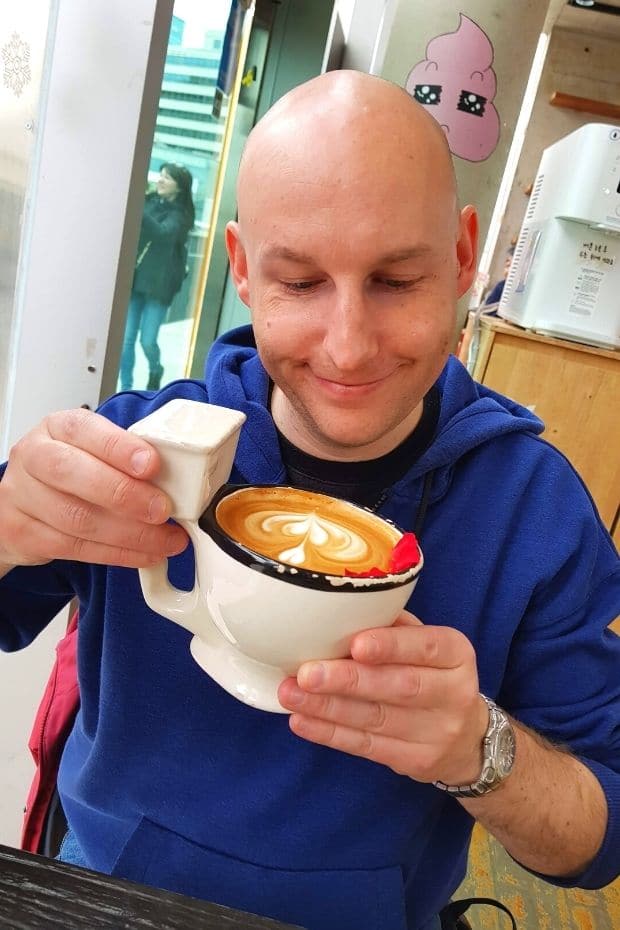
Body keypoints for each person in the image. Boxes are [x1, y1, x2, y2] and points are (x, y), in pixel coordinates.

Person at [0, 72, 619, 930]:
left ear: (463, 257)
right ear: (244, 270)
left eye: (398, 280)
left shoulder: (535, 516)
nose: (350, 346)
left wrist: (480, 751)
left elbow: (599, 837)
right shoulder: (141, 444)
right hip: (101, 894)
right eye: (299, 282)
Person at [119, 163, 195, 391]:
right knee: (126, 341)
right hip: (137, 280)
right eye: (160, 175)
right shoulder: (149, 201)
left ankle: (155, 368)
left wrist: (138, 209)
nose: (160, 180)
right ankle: (126, 389)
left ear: (179, 188)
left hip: (160, 286)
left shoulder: (181, 216)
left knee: (148, 341)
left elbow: (163, 234)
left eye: (167, 178)